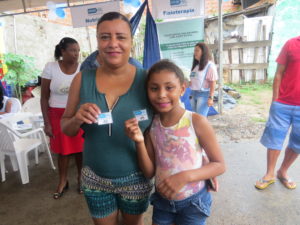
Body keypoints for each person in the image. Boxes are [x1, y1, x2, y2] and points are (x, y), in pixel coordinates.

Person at [61, 12, 153, 225]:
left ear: (131, 42)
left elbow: (172, 124)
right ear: (97, 42)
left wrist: (196, 163)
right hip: (95, 178)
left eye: (120, 37)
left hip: (137, 178)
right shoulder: (82, 79)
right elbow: (66, 127)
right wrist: (76, 119)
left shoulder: (147, 80)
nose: (113, 44)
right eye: (105, 37)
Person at [125, 59, 225, 225]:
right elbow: (149, 172)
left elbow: (220, 165)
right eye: (154, 88)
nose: (161, 94)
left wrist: (185, 177)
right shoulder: (152, 126)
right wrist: (139, 141)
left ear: (182, 89)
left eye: (169, 87)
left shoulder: (197, 122)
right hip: (162, 203)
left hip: (194, 202)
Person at [40, 37, 84, 199]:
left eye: (78, 51)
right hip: (57, 115)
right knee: (63, 152)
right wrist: (47, 123)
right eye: (73, 50)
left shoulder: (82, 68)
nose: (76, 54)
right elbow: (44, 97)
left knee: (81, 150)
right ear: (62, 51)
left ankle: (81, 179)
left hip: (77, 115)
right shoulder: (50, 68)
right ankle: (63, 181)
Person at [255, 36, 300, 190]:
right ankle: (270, 174)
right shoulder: (291, 44)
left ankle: (283, 171)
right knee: (275, 139)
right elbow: (279, 73)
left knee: (298, 143)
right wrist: (275, 99)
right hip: (283, 104)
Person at [189, 42, 218, 116]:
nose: (195, 52)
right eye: (194, 50)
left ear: (203, 52)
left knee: (200, 119)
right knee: (195, 118)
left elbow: (213, 82)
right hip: (193, 93)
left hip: (203, 95)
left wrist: (211, 98)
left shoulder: (210, 66)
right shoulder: (196, 66)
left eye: (197, 50)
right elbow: (193, 81)